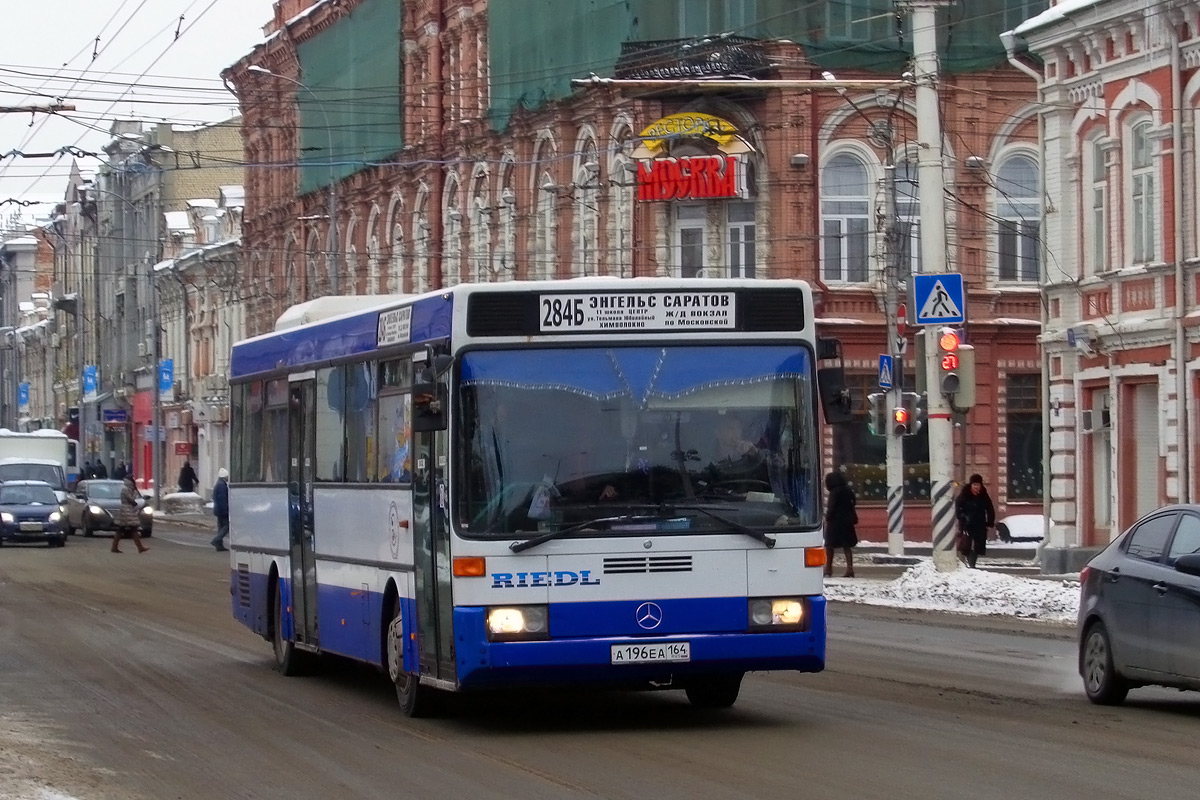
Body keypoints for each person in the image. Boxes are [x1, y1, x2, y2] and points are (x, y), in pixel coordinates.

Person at [955, 473, 995, 568]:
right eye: (974, 485)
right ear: (971, 485)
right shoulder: (965, 494)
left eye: (978, 485)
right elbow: (957, 507)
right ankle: (969, 564)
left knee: (978, 545)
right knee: (966, 545)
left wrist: (990, 521)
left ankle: (972, 564)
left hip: (979, 523)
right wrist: (962, 516)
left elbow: (990, 509)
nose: (976, 487)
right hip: (967, 523)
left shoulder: (984, 495)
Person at [823, 471, 858, 578]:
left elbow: (831, 507)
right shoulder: (847, 490)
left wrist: (827, 517)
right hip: (847, 522)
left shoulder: (834, 492)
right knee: (846, 546)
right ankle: (850, 569)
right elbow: (853, 502)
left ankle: (828, 569)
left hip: (835, 523)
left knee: (829, 546)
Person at [113, 476, 148, 554]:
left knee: (122, 529)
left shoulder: (127, 489)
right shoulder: (126, 489)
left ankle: (114, 547)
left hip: (126, 510)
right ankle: (140, 547)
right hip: (127, 510)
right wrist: (134, 500)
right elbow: (131, 499)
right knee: (132, 529)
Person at [210, 467, 230, 552]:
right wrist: (226, 510)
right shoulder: (222, 485)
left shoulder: (218, 484)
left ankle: (219, 545)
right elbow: (223, 499)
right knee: (226, 526)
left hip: (217, 509)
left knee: (220, 527)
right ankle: (216, 540)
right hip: (222, 510)